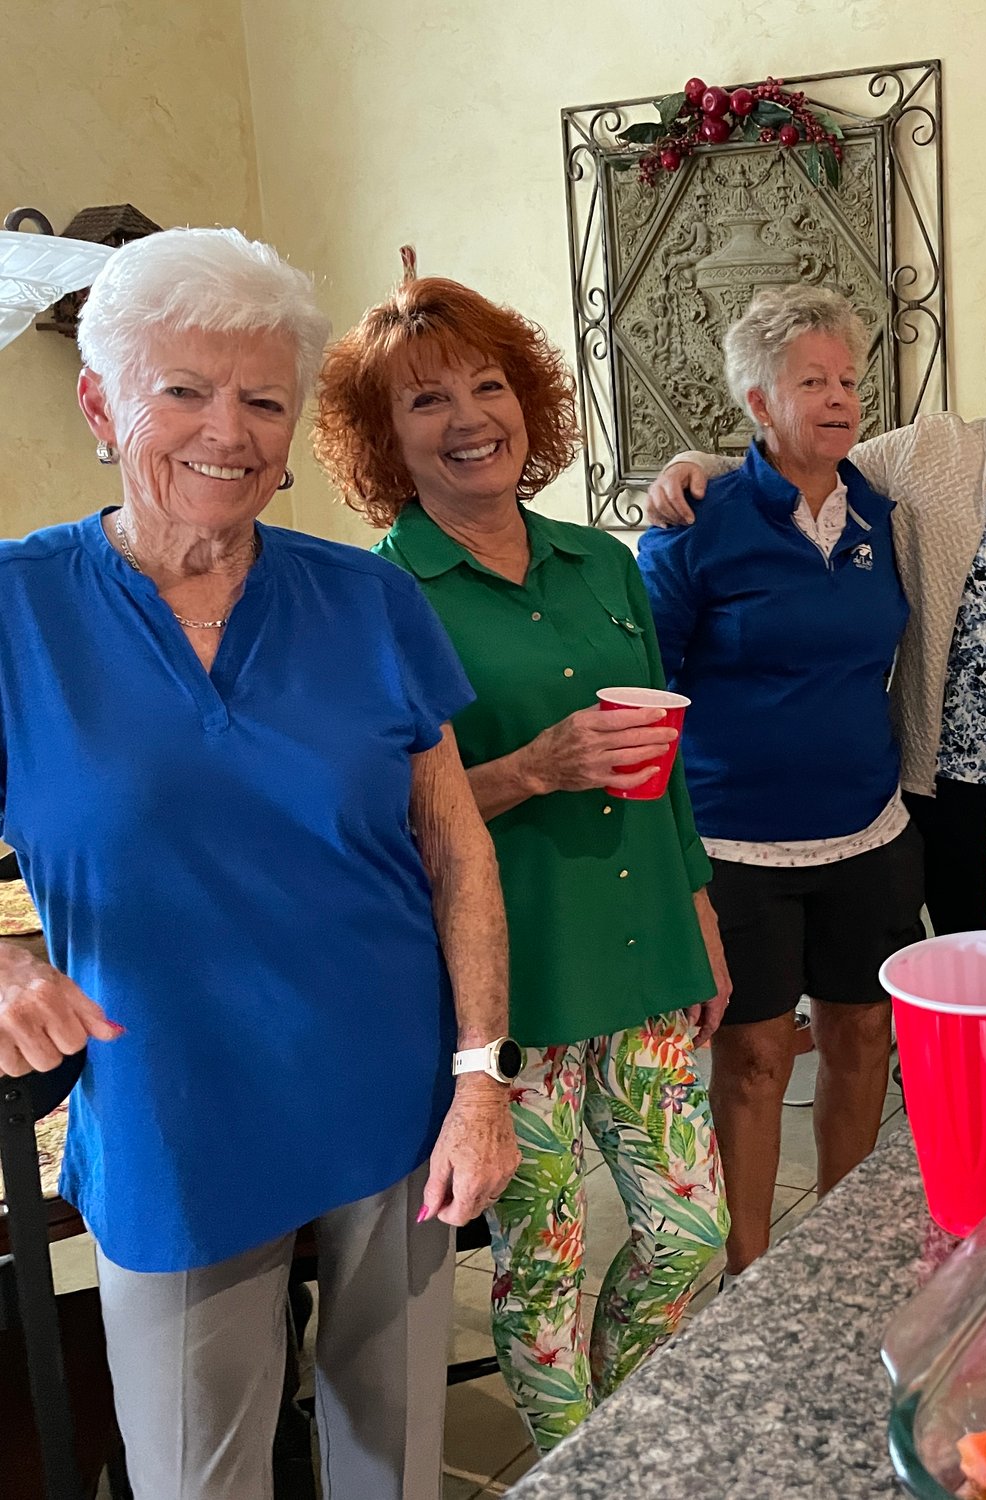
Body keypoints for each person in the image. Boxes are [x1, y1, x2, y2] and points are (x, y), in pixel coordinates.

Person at [0, 228, 519, 1499]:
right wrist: (5, 956)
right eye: (183, 390)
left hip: (395, 1099)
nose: (225, 430)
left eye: (262, 398)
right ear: (101, 402)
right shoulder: (18, 607)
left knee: (389, 1466)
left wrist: (478, 1077)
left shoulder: (369, 600)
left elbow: (454, 848)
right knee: (196, 1474)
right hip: (172, 1112)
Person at [315, 268, 730, 1451]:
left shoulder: (601, 564)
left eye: (487, 387)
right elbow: (380, 828)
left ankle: (625, 1430)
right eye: (425, 402)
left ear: (529, 403)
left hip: (646, 951)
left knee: (690, 1234)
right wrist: (529, 771)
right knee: (539, 1279)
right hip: (509, 991)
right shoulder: (375, 598)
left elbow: (667, 763)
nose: (468, 420)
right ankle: (577, 1468)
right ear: (384, 440)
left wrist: (697, 916)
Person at [647, 252, 986, 933]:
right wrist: (693, 464)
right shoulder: (928, 449)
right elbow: (808, 461)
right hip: (952, 786)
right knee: (973, 980)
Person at [636, 285, 924, 1274]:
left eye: (848, 379)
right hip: (737, 845)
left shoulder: (880, 515)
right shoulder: (694, 526)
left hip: (866, 834)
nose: (840, 398)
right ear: (759, 403)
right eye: (813, 381)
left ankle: (839, 1264)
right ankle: (753, 1272)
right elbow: (648, 691)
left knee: (860, 1045)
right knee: (755, 1062)